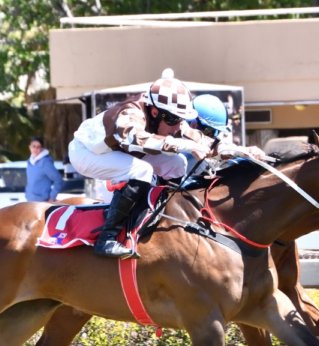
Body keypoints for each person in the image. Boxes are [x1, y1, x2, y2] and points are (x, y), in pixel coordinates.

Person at [69, 69, 265, 259]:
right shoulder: (130, 113)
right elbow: (138, 139)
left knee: (176, 163)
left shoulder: (169, 120)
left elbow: (205, 143)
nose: (178, 126)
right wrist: (186, 146)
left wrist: (244, 152)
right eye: (173, 120)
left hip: (117, 152)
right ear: (155, 112)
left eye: (181, 119)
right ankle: (107, 238)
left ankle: (166, 214)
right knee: (142, 170)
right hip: (87, 154)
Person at [25, 136, 63, 202]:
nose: (35, 149)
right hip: (30, 201)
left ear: (42, 148)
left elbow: (58, 179)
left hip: (42, 203)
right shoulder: (29, 162)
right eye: (33, 146)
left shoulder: (45, 163)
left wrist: (52, 197)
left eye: (38, 147)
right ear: (29, 147)